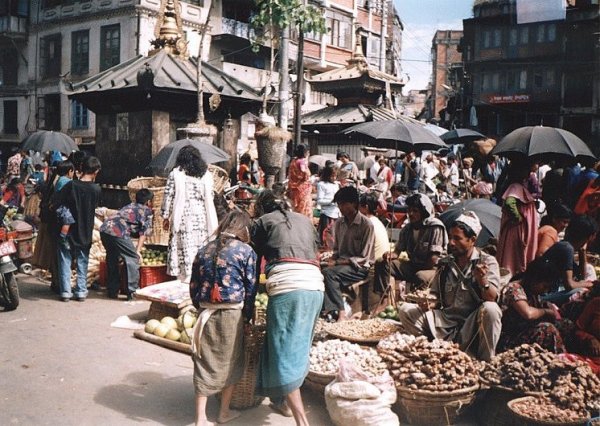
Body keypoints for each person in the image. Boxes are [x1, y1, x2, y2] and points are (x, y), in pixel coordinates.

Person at [251, 190, 324, 426]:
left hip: (288, 289)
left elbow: (254, 265)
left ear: (262, 208)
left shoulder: (262, 222)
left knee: (283, 352)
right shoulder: (304, 219)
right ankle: (281, 401)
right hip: (314, 287)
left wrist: (248, 305)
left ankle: (301, 421)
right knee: (296, 347)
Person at [397, 212, 503, 361]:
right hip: (445, 321)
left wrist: (482, 280)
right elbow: (435, 296)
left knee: (491, 310)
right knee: (406, 310)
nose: (451, 243)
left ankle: (485, 361)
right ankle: (432, 351)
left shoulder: (487, 262)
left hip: (470, 325)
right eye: (451, 237)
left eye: (457, 238)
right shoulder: (446, 263)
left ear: (472, 240)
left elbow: (491, 298)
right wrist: (429, 302)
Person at [189, 210, 257, 426]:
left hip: (206, 313)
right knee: (232, 361)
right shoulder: (246, 251)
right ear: (243, 229)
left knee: (203, 361)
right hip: (231, 314)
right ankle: (224, 413)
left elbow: (193, 286)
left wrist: (199, 307)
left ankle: (201, 418)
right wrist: (247, 317)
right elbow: (250, 289)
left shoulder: (203, 249)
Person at [161, 146, 218, 284]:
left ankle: (186, 277)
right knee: (199, 246)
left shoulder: (176, 174)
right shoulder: (206, 174)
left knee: (185, 247)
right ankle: (198, 275)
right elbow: (210, 195)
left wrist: (165, 216)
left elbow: (168, 196)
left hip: (183, 216)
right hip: (202, 216)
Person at [373, 194, 448, 294]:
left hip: (433, 269)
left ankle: (416, 302)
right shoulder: (407, 229)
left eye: (415, 211)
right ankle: (383, 297)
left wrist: (415, 273)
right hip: (414, 266)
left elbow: (433, 260)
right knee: (382, 262)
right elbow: (397, 252)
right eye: (409, 210)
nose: (411, 214)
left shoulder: (435, 227)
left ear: (423, 212)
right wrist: (390, 255)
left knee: (421, 276)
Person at [322, 186, 375, 321]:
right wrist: (331, 259)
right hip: (342, 264)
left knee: (330, 274)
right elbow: (337, 250)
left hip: (359, 267)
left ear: (354, 204)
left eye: (344, 204)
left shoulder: (366, 225)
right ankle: (326, 309)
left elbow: (364, 258)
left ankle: (341, 311)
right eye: (339, 204)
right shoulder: (339, 223)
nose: (341, 207)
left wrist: (337, 262)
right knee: (321, 269)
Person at [54, 156, 102, 302]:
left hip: (67, 230)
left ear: (81, 168)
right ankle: (81, 291)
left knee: (65, 259)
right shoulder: (96, 189)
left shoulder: (71, 185)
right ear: (96, 171)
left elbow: (57, 204)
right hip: (85, 231)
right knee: (82, 260)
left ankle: (66, 292)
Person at [498, 257, 566, 353]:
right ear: (534, 279)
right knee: (547, 329)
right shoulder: (514, 288)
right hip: (509, 339)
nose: (545, 291)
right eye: (544, 286)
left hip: (523, 332)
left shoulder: (532, 294)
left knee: (566, 325)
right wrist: (545, 312)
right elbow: (528, 313)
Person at [100, 189, 154, 300]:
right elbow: (143, 233)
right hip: (118, 231)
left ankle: (112, 290)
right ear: (148, 202)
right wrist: (137, 251)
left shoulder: (130, 205)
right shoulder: (146, 211)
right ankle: (132, 292)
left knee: (112, 257)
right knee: (133, 258)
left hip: (105, 229)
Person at [31, 160, 75, 293]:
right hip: (60, 223)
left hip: (51, 222)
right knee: (61, 254)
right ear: (70, 171)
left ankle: (56, 282)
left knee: (56, 254)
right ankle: (60, 285)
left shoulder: (55, 180)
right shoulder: (65, 182)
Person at [539, 214, 598, 305]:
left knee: (589, 268)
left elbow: (581, 276)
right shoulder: (567, 248)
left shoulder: (567, 246)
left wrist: (583, 251)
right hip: (544, 295)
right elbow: (570, 285)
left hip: (554, 289)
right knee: (582, 291)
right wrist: (590, 284)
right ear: (591, 236)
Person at [496, 163, 538, 275]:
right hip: (517, 229)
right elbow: (510, 202)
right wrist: (518, 217)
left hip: (517, 228)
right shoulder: (515, 186)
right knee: (515, 256)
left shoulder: (518, 187)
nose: (529, 173)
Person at [359, 192, 390, 262]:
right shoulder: (376, 221)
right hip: (379, 261)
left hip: (371, 264)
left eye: (359, 206)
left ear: (366, 207)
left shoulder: (366, 224)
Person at [316, 164, 340, 249]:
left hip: (336, 213)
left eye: (335, 176)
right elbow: (319, 201)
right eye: (332, 176)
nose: (334, 178)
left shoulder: (336, 185)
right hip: (327, 213)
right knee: (326, 236)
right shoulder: (321, 184)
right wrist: (331, 202)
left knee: (335, 235)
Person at [287, 144, 313, 218]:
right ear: (305, 152)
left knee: (295, 208)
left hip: (294, 189)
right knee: (304, 208)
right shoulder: (302, 162)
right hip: (303, 189)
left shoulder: (293, 161)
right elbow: (306, 174)